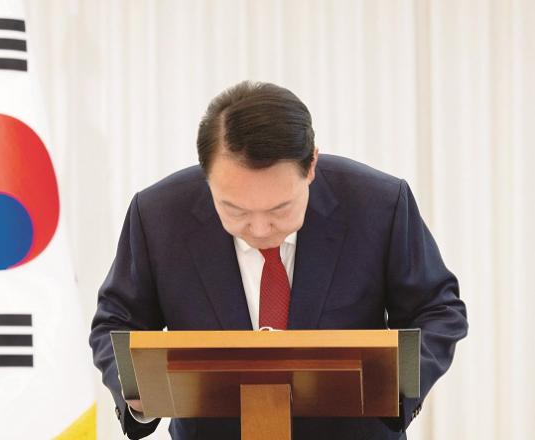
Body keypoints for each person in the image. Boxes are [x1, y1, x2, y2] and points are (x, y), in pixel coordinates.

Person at [90, 81, 468, 440]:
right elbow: (117, 320)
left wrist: (395, 388)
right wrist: (137, 392)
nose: (258, 228)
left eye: (280, 208)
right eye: (234, 209)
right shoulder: (158, 214)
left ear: (312, 166)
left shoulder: (378, 204)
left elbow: (437, 310)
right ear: (207, 176)